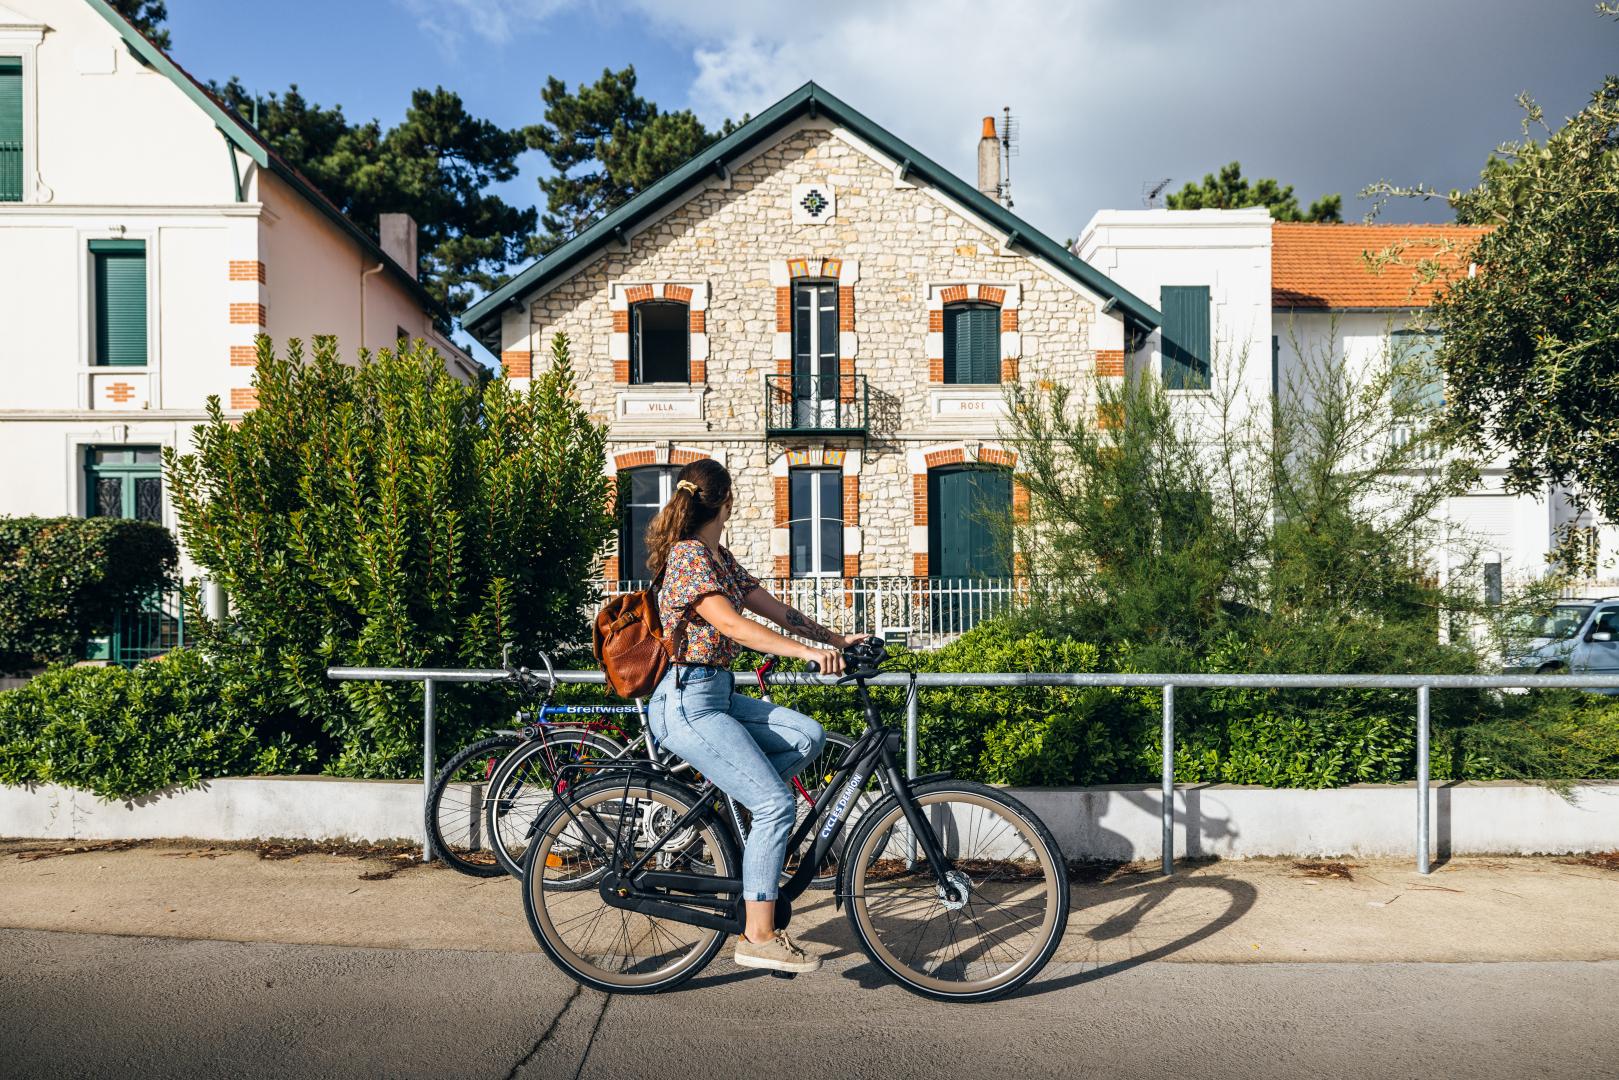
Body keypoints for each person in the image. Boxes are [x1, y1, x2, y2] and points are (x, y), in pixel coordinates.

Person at [643, 458, 866, 974]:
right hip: (687, 702)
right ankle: (758, 935)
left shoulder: (718, 557)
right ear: (726, 501)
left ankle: (742, 815)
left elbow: (772, 608)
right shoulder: (688, 558)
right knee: (775, 805)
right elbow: (735, 627)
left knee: (808, 735)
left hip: (716, 695)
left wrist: (836, 640)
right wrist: (807, 655)